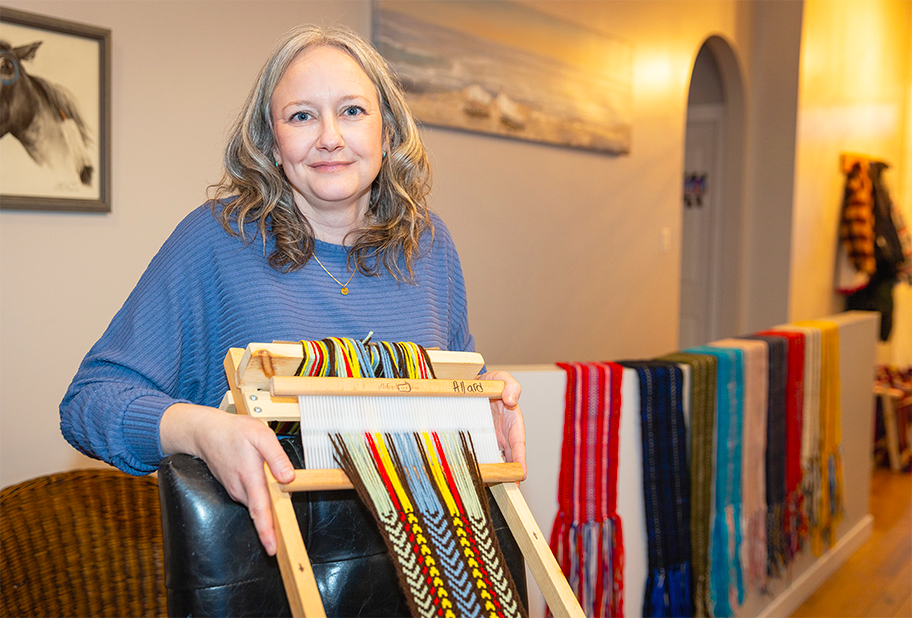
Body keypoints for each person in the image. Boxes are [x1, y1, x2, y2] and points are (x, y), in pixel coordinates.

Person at [59, 24, 525, 559]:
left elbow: (446, 381)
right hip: (271, 570)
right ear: (272, 144)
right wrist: (203, 431)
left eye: (352, 111)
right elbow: (89, 401)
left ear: (388, 132)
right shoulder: (215, 240)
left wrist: (488, 397)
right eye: (302, 116)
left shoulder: (430, 244)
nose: (330, 136)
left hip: (428, 571)